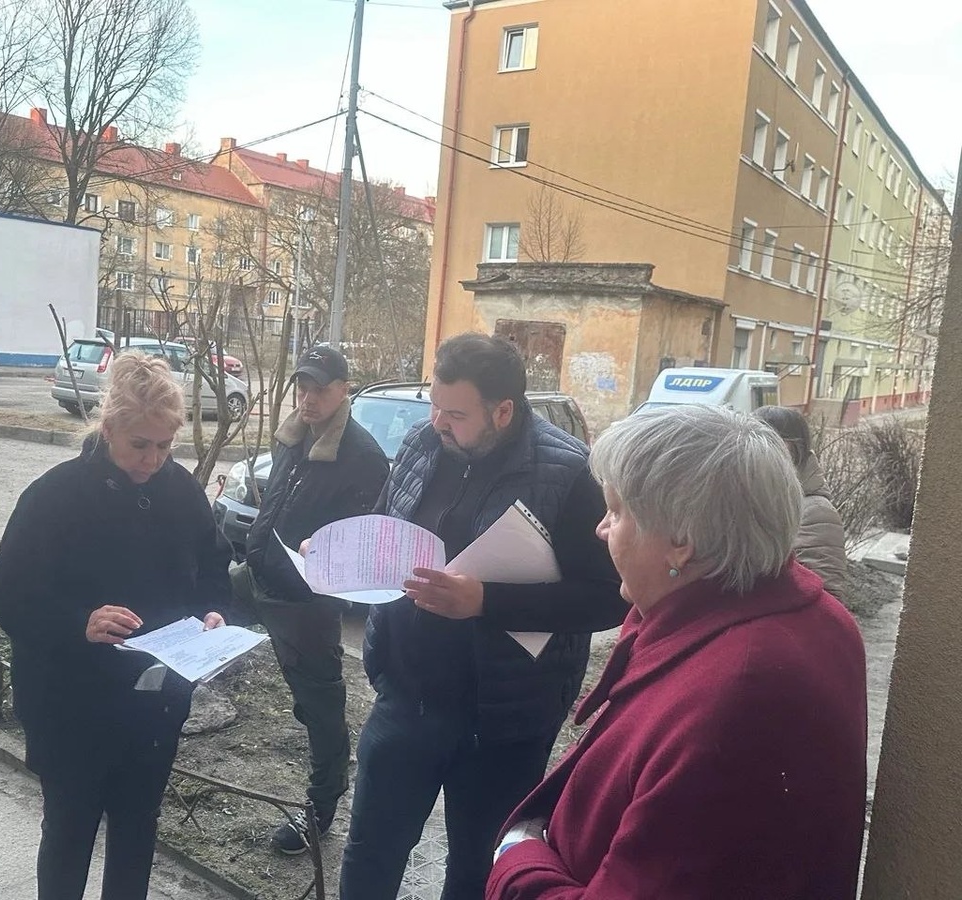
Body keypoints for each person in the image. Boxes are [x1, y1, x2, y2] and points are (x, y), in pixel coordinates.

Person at [488, 405, 868, 900]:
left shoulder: (740, 693)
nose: (602, 528)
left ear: (682, 542)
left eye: (617, 511)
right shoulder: (798, 615)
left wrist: (518, 858)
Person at [338, 332, 628, 900]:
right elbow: (385, 523)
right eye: (435, 407)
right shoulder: (423, 444)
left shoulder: (569, 474)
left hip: (505, 721)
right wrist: (340, 557)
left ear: (503, 412)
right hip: (407, 699)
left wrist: (486, 602)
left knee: (477, 872)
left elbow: (607, 597)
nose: (438, 424)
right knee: (371, 850)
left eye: (455, 415)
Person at [0, 351, 230, 900]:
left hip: (155, 700)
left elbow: (214, 564)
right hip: (71, 702)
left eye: (165, 446)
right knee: (70, 829)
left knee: (138, 825)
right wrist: (80, 623)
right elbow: (4, 589)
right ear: (109, 427)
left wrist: (215, 611)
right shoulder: (56, 495)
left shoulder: (181, 490)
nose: (152, 460)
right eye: (140, 444)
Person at [230, 344, 389, 854]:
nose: (308, 397)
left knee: (319, 705)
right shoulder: (293, 436)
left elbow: (361, 545)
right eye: (303, 386)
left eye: (320, 388)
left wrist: (321, 554)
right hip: (256, 577)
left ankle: (320, 807)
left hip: (305, 602)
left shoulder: (362, 456)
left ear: (344, 389)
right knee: (193, 621)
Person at [755, 404, 849, 599]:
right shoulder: (753, 499)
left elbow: (826, 599)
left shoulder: (816, 512)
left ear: (794, 449)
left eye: (767, 442)